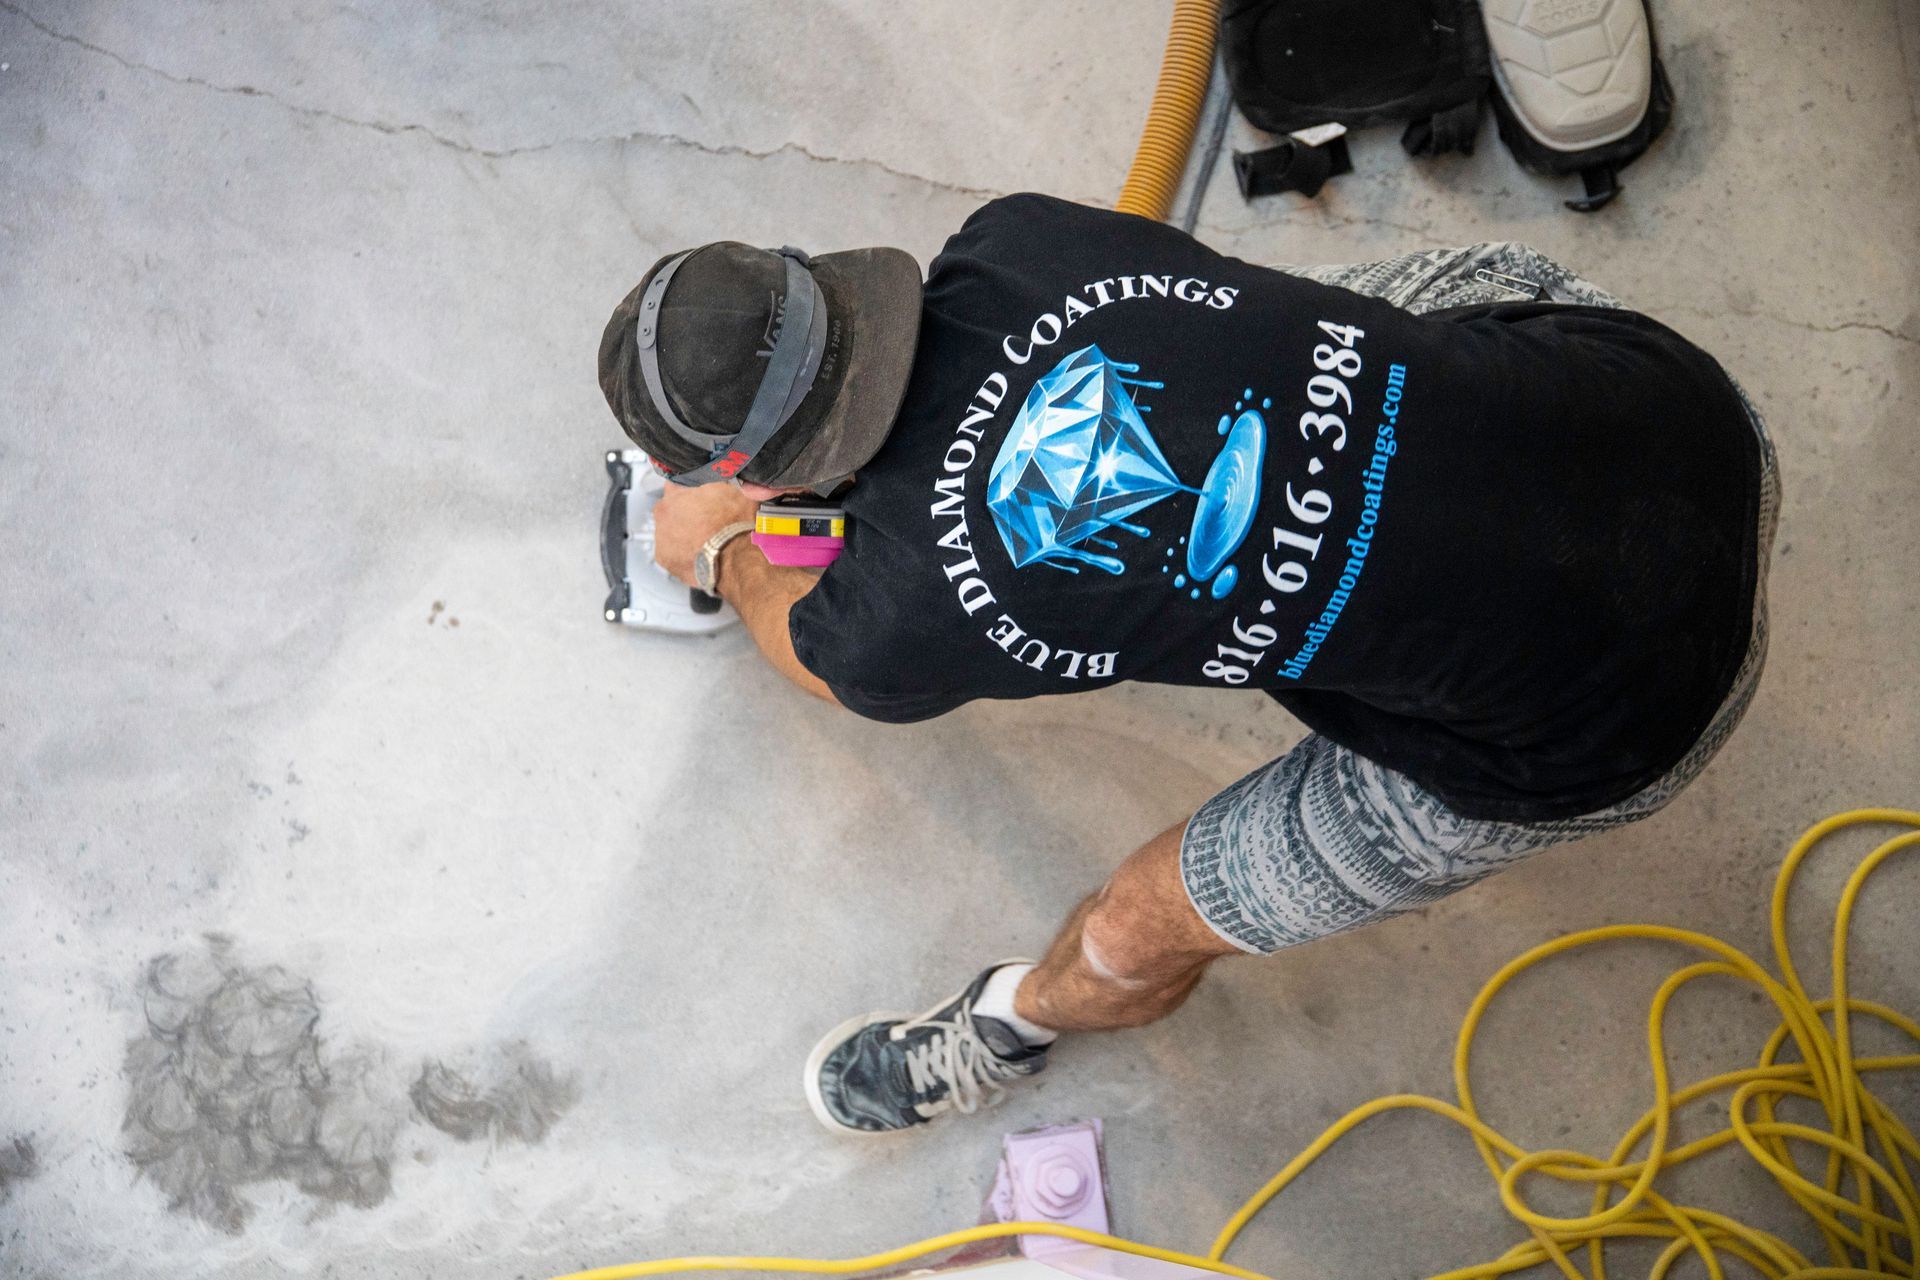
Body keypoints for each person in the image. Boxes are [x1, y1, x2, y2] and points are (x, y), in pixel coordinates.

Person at [597, 194, 1777, 1137]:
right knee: (1282, 335)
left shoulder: (891, 624)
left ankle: (1014, 1019)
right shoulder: (1019, 240)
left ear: (749, 472)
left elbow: (815, 654)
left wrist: (730, 552)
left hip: (1614, 724)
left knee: (1138, 922)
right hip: (1678, 408)